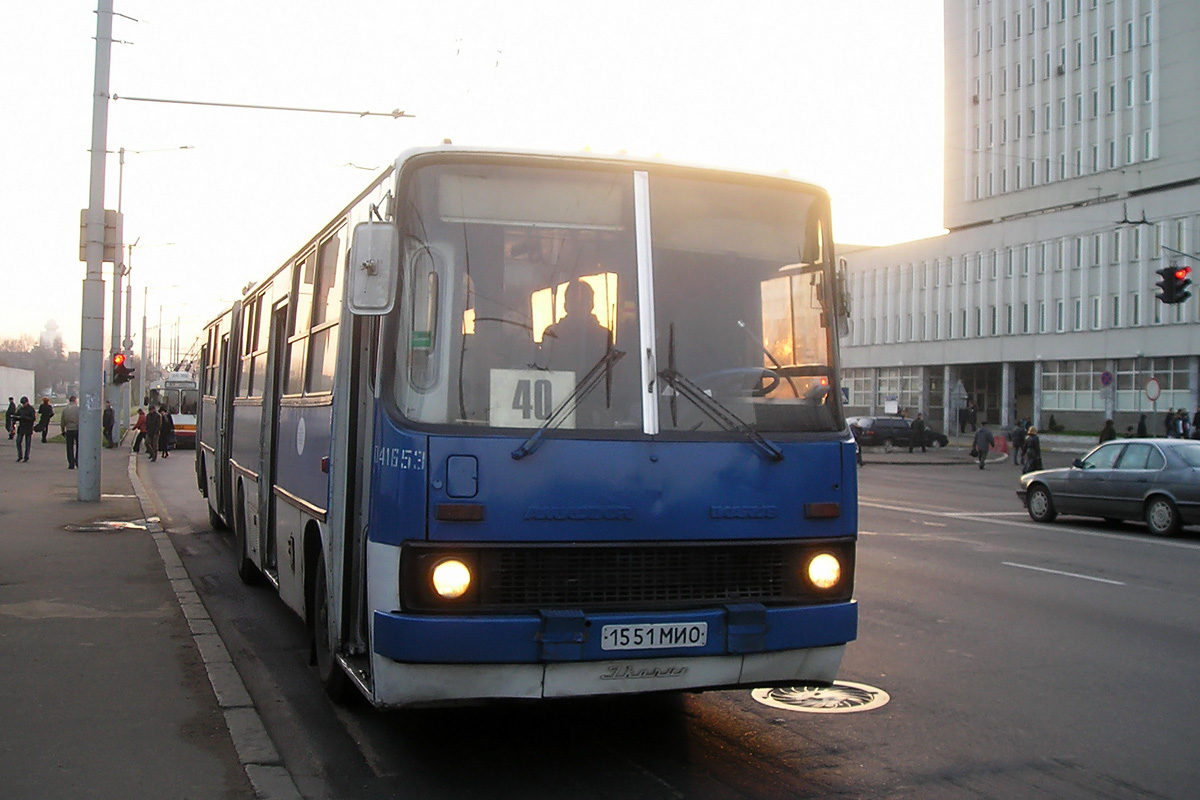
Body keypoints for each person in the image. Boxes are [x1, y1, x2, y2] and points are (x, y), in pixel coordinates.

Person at [13, 396, 36, 462]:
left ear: (27, 402)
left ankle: (26, 457)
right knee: (18, 442)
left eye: (24, 403)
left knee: (27, 443)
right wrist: (15, 417)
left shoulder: (31, 409)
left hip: (28, 427)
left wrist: (24, 417)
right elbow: (17, 415)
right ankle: (20, 456)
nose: (23, 405)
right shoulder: (21, 409)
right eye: (23, 404)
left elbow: (33, 418)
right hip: (21, 427)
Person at [60, 395, 80, 469]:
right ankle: (78, 461)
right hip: (77, 429)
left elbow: (62, 421)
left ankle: (71, 463)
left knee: (69, 447)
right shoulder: (78, 409)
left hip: (69, 429)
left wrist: (62, 431)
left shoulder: (65, 409)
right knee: (79, 447)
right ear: (75, 401)